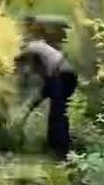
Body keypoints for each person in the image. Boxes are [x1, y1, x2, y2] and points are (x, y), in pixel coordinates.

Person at [17, 31, 78, 160]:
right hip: (67, 73)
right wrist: (33, 105)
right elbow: (44, 77)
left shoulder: (31, 49)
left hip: (61, 73)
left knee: (57, 112)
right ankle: (57, 146)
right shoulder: (37, 48)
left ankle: (60, 148)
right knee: (59, 111)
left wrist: (32, 104)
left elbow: (44, 71)